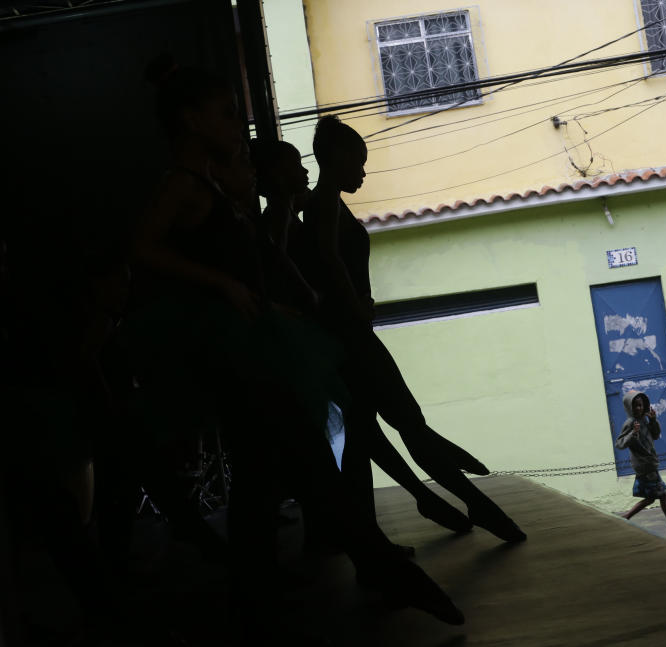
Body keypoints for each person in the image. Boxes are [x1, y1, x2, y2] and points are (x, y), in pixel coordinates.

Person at [130, 57, 464, 633]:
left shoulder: (208, 185)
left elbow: (252, 265)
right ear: (191, 120)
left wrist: (264, 299)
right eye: (227, 114)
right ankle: (377, 572)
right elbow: (143, 248)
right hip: (237, 354)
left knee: (266, 481)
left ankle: (259, 599)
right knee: (304, 464)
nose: (237, 125)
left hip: (254, 343)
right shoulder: (183, 187)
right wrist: (223, 285)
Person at [285, 117, 526, 542]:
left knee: (380, 431)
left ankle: (448, 501)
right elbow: (329, 258)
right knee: (408, 423)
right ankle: (476, 504)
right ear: (337, 159)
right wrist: (355, 306)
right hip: (352, 336)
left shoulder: (324, 202)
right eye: (358, 163)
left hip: (345, 336)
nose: (362, 172)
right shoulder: (324, 203)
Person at [616, 391, 666, 538]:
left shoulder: (645, 419)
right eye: (635, 406)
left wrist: (653, 421)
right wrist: (633, 433)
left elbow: (656, 435)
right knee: (663, 495)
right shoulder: (630, 423)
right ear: (629, 407)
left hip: (650, 463)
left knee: (651, 498)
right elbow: (619, 443)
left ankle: (626, 517)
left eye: (641, 405)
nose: (639, 408)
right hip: (645, 466)